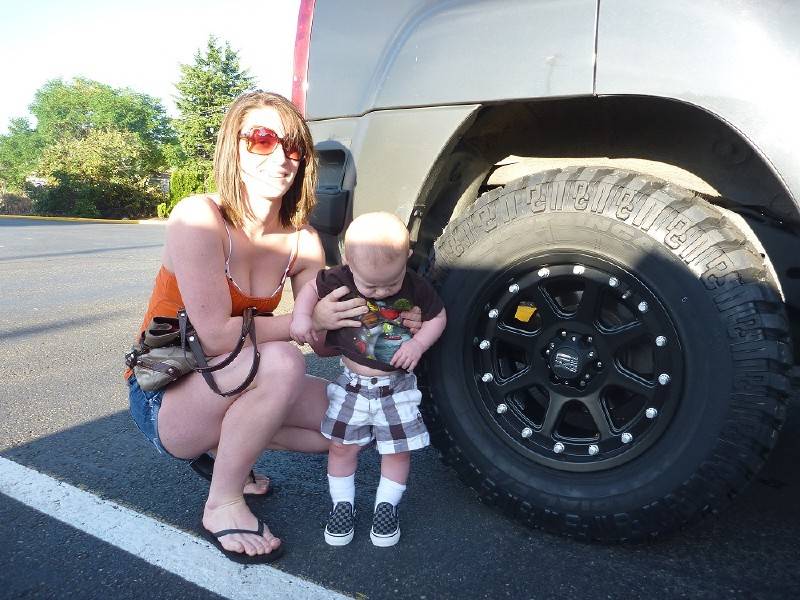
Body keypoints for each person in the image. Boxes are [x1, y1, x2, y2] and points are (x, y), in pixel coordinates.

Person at [126, 92, 418, 564]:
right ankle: (222, 502)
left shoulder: (303, 240)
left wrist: (392, 320)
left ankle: (228, 448)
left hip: (235, 376)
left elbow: (324, 343)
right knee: (281, 361)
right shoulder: (199, 218)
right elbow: (216, 336)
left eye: (293, 146)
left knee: (354, 423)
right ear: (234, 148)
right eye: (262, 139)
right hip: (167, 394)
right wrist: (306, 321)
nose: (281, 157)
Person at [291, 212, 447, 547]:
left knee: (397, 451)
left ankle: (386, 506)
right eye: (371, 286)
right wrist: (302, 317)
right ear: (348, 261)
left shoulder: (416, 286)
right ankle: (342, 505)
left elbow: (438, 317)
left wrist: (418, 344)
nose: (381, 291)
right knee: (341, 447)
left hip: (397, 387)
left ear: (407, 257)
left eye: (390, 284)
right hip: (352, 386)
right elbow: (310, 289)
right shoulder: (339, 277)